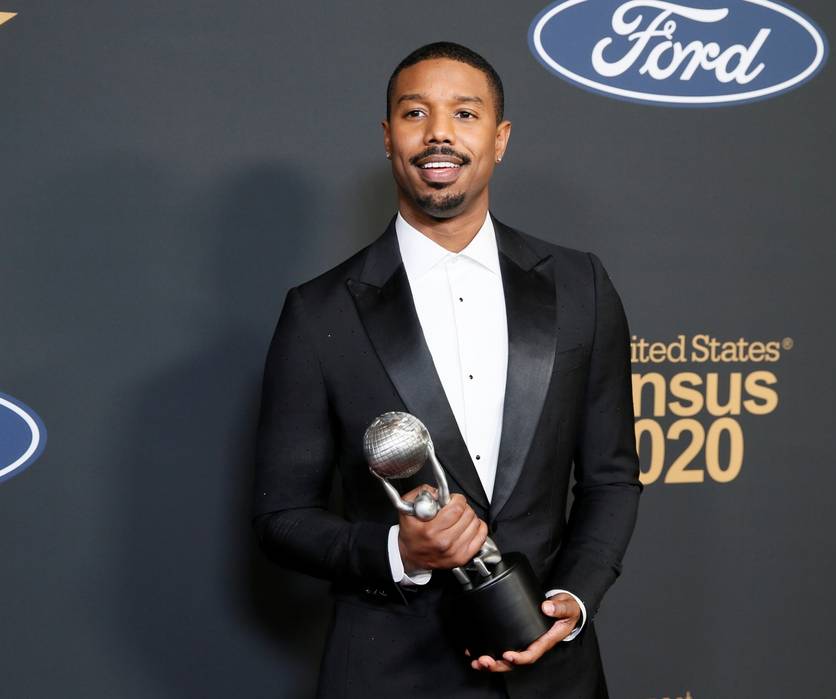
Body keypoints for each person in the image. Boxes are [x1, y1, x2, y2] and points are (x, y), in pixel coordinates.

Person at [253, 41, 641, 699]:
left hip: (554, 672)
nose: (440, 133)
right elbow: (282, 516)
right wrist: (400, 552)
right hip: (390, 673)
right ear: (388, 137)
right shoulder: (320, 312)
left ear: (500, 138)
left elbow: (612, 478)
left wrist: (573, 600)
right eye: (415, 113)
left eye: (465, 113)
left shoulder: (581, 287)